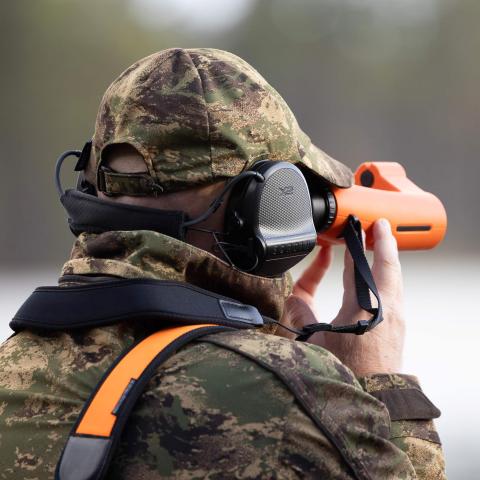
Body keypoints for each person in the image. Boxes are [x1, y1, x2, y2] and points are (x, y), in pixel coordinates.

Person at [0, 48, 446, 479]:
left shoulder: (14, 368)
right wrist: (374, 383)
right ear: (263, 205)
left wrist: (263, 337)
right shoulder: (287, 399)